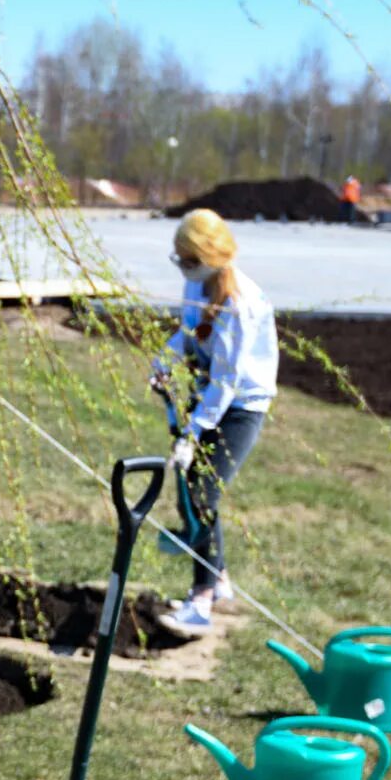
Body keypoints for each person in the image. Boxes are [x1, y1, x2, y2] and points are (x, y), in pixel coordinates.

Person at [150, 209, 277, 638]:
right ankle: (219, 580)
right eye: (180, 260)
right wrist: (166, 359)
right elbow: (189, 332)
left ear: (208, 258)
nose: (183, 268)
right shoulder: (195, 281)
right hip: (210, 394)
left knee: (201, 495)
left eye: (188, 260)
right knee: (193, 489)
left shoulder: (239, 305)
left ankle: (200, 600)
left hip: (241, 406)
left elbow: (227, 383)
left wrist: (190, 435)